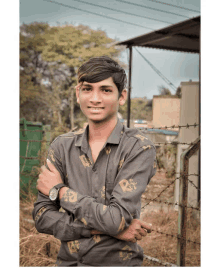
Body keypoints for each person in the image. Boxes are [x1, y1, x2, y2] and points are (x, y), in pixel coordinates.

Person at [32, 56, 157, 266]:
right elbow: (42, 216)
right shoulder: (62, 146)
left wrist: (60, 191)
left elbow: (116, 220)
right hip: (68, 264)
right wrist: (106, 229)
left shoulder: (138, 147)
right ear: (77, 94)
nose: (95, 98)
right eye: (87, 89)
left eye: (106, 90)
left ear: (122, 96)